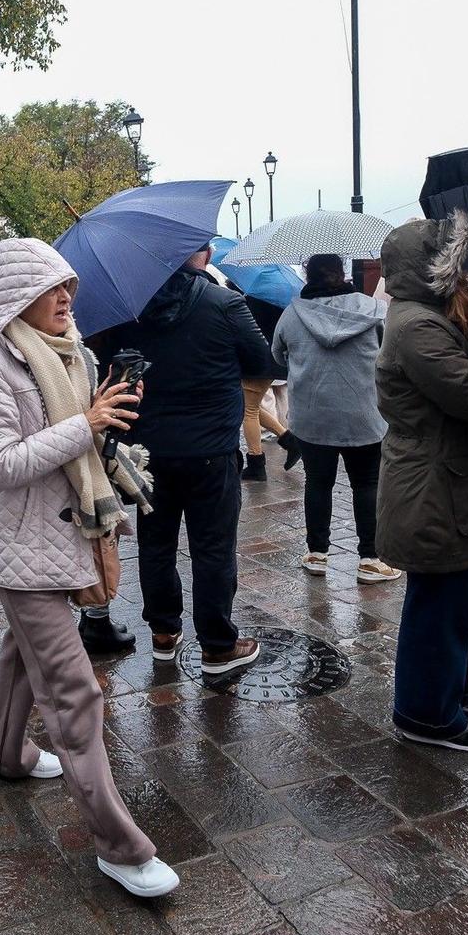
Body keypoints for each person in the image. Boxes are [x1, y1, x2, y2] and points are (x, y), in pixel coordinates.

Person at [0, 238, 178, 898]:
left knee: (23, 654)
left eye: (67, 288)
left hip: (61, 538)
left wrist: (105, 413)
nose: (64, 299)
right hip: (19, 547)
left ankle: (5, 754)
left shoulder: (73, 354)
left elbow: (77, 438)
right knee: (74, 691)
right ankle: (119, 846)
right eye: (50, 289)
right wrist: (85, 423)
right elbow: (2, 464)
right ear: (16, 298)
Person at [375, 218, 468, 751]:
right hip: (431, 487)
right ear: (433, 268)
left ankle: (452, 689)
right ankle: (425, 714)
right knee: (437, 602)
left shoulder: (425, 316)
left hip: (444, 479)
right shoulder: (417, 327)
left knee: (453, 596)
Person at [106, 244, 273, 672]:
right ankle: (218, 645)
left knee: (156, 544)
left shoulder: (130, 310)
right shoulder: (224, 303)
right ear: (202, 255)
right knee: (213, 547)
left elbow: (110, 366)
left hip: (149, 453)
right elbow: (262, 361)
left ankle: (164, 632)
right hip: (211, 450)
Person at [270, 254, 400, 584]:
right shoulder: (373, 310)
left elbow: (278, 355)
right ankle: (370, 559)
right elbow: (389, 353)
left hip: (312, 416)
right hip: (365, 414)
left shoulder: (292, 313)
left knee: (317, 482)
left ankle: (317, 554)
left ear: (307, 276)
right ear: (342, 274)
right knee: (367, 483)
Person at [239, 294, 289, 482]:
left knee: (248, 410)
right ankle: (288, 439)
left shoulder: (254, 300)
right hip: (273, 360)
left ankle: (256, 463)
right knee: (250, 406)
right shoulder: (281, 299)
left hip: (258, 362)